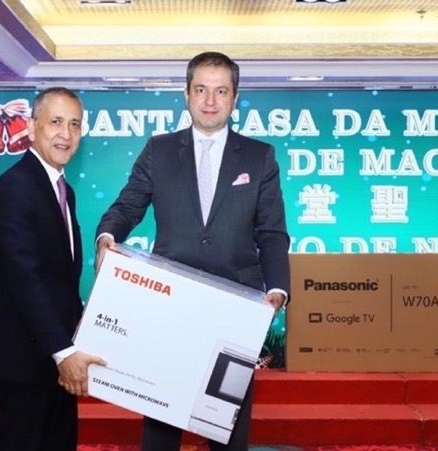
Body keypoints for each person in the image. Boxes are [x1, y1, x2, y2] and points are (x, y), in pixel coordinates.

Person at [95, 51, 291, 451]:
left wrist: (278, 288)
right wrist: (107, 236)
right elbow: (127, 207)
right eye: (201, 90)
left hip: (235, 308)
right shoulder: (159, 150)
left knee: (227, 429)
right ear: (186, 94)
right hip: (171, 306)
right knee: (161, 425)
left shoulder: (259, 156)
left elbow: (272, 232)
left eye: (221, 91)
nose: (210, 100)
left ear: (235, 98)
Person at [0, 87, 106, 451]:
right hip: (26, 364)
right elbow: (25, 281)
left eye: (74, 124)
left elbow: (60, 281)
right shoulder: (14, 188)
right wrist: (63, 352)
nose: (65, 134)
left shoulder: (63, 190)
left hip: (54, 362)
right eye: (55, 122)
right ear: (31, 127)